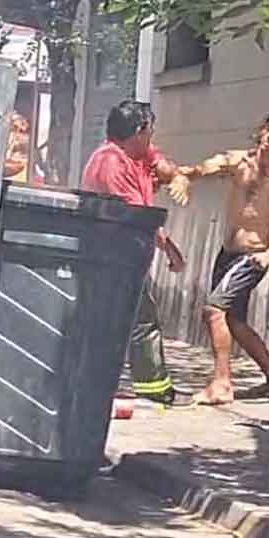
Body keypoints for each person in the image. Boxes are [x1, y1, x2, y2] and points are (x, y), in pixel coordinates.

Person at [167, 110, 269, 405]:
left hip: (253, 256)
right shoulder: (239, 162)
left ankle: (222, 383)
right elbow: (201, 168)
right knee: (234, 321)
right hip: (228, 253)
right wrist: (183, 178)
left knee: (214, 310)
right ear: (261, 131)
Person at [81, 100, 191, 407]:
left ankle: (110, 385)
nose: (152, 140)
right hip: (112, 255)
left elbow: (164, 167)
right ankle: (152, 388)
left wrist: (179, 177)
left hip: (127, 255)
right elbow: (137, 216)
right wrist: (172, 251)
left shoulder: (134, 155)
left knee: (130, 320)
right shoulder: (112, 163)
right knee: (139, 321)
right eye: (150, 132)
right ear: (139, 131)